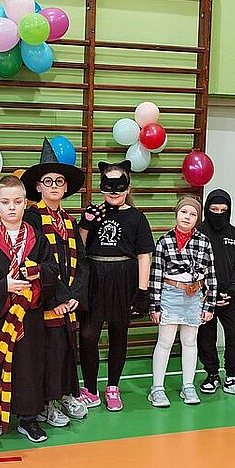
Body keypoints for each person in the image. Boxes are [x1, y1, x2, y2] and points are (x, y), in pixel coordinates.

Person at [0, 176, 58, 446]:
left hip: (28, 315)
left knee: (29, 365)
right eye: (6, 202)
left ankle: (28, 418)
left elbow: (53, 269)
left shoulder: (37, 238)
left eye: (17, 202)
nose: (12, 207)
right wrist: (3, 285)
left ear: (25, 203)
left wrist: (37, 272)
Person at [20, 140, 88, 424]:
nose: (54, 186)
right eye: (48, 181)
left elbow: (81, 260)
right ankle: (46, 402)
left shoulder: (69, 221)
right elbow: (35, 262)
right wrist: (58, 297)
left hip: (67, 301)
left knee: (66, 349)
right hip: (45, 300)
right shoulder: (32, 218)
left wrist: (75, 295)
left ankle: (65, 394)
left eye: (59, 181)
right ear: (38, 187)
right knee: (48, 352)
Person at [77, 161, 153, 411]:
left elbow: (144, 255)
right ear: (101, 187)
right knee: (88, 335)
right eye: (108, 186)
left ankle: (112, 387)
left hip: (123, 280)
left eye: (119, 186)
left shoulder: (137, 218)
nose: (114, 191)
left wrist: (142, 292)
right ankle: (90, 389)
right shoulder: (93, 213)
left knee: (118, 335)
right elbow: (78, 249)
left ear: (128, 188)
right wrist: (86, 225)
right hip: (95, 280)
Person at [148, 196, 217, 407]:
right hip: (170, 294)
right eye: (184, 212)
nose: (187, 217)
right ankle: (157, 388)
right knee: (165, 341)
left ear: (198, 218)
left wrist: (210, 305)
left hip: (194, 296)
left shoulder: (204, 241)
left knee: (189, 341)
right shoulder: (164, 241)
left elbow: (211, 275)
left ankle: (188, 385)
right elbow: (155, 275)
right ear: (176, 213)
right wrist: (155, 305)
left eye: (193, 214)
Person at [196, 189, 235, 399]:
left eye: (223, 210)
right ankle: (211, 374)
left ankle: (232, 377)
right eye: (214, 209)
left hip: (229, 297)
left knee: (234, 336)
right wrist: (206, 291)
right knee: (206, 337)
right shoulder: (198, 233)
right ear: (207, 209)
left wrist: (231, 290)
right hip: (203, 297)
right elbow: (194, 265)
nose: (218, 213)